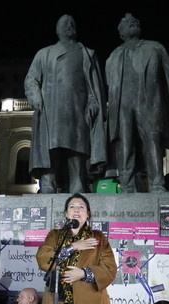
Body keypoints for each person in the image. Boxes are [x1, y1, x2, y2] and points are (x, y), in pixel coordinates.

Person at [105, 13, 169, 193]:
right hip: (122, 108)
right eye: (126, 22)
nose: (132, 21)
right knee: (125, 147)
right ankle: (127, 185)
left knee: (152, 144)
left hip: (148, 105)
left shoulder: (155, 49)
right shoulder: (113, 57)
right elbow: (110, 87)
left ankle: (157, 183)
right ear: (121, 32)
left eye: (135, 21)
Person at [24, 15, 106, 193]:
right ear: (57, 30)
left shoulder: (86, 53)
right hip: (50, 109)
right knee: (51, 147)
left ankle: (78, 184)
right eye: (65, 24)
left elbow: (94, 84)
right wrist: (35, 97)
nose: (70, 26)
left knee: (76, 148)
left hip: (77, 107)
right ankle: (48, 184)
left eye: (73, 24)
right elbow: (31, 79)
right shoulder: (44, 54)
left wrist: (93, 100)